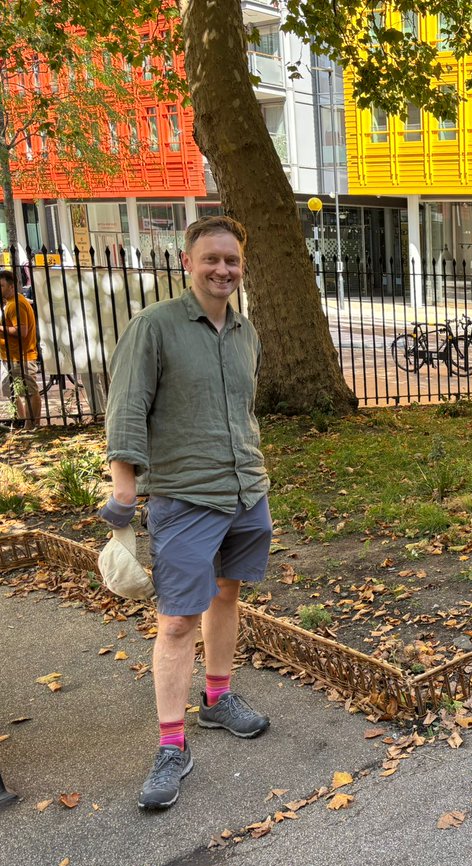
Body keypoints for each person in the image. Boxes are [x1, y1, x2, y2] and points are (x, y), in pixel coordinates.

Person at [103, 216, 273, 810]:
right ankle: (172, 744)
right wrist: (124, 492)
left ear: (241, 265)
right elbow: (126, 410)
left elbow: (241, 412)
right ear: (187, 262)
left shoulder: (247, 333)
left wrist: (253, 470)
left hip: (245, 491)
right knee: (177, 621)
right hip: (183, 497)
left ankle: (218, 700)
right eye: (211, 260)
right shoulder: (155, 327)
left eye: (231, 260)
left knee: (228, 596)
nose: (222, 269)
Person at [1, 270, 42, 429]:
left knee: (30, 392)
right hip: (10, 357)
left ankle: (32, 425)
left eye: (2, 286)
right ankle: (21, 420)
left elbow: (21, 331)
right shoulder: (10, 303)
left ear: (11, 286)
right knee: (10, 390)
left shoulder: (16, 304)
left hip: (21, 357)